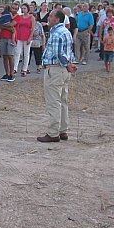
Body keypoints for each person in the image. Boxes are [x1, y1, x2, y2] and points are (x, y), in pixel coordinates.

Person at [37, 10, 77, 143]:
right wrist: (70, 64)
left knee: (54, 101)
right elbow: (70, 50)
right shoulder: (66, 32)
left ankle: (53, 133)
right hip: (63, 71)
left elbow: (59, 53)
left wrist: (67, 64)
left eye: (51, 16)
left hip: (55, 69)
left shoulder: (56, 33)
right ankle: (62, 130)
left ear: (58, 19)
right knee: (63, 100)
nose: (49, 18)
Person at [0, 4, 18, 82]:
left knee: (10, 55)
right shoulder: (5, 15)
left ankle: (11, 74)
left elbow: (11, 24)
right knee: (5, 56)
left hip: (11, 38)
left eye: (16, 8)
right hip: (3, 37)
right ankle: (7, 73)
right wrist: (8, 28)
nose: (14, 9)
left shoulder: (17, 17)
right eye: (13, 8)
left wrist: (4, 26)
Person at [14, 3, 35, 77]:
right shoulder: (20, 17)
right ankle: (15, 68)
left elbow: (32, 28)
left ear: (28, 9)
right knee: (17, 52)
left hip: (27, 36)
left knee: (26, 53)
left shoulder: (31, 17)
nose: (23, 10)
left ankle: (24, 69)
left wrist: (30, 37)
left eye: (24, 8)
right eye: (22, 8)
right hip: (20, 36)